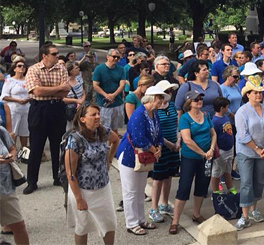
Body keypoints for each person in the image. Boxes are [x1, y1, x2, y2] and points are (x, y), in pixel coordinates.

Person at [65, 104, 120, 245]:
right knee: (82, 226)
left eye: (98, 113)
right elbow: (70, 172)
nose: (98, 117)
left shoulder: (102, 131)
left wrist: (109, 159)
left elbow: (116, 140)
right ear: (83, 119)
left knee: (109, 223)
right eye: (93, 114)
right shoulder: (74, 140)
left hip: (103, 188)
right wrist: (79, 199)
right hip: (83, 191)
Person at [115, 86, 166, 235]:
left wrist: (159, 147)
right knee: (130, 191)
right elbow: (139, 139)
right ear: (150, 98)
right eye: (159, 98)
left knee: (139, 190)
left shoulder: (153, 113)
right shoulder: (139, 115)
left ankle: (140, 219)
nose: (162, 101)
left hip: (144, 155)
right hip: (131, 155)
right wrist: (154, 150)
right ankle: (131, 222)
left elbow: (159, 134)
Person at [23, 44, 70, 194]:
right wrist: (57, 88)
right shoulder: (33, 69)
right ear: (45, 56)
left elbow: (66, 90)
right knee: (36, 146)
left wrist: (46, 90)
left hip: (57, 109)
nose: (57, 56)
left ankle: (58, 177)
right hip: (39, 110)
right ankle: (32, 182)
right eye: (54, 54)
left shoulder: (61, 68)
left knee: (58, 145)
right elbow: (35, 90)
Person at [234, 76, 264, 230]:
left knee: (259, 180)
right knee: (246, 182)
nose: (258, 95)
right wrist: (258, 149)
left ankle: (254, 209)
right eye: (255, 92)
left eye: (260, 92)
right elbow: (243, 136)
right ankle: (244, 215)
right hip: (246, 151)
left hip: (262, 150)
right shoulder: (242, 112)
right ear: (248, 94)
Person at [169, 91, 216, 234]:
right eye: (196, 99)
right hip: (190, 158)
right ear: (189, 102)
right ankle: (175, 221)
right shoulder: (184, 118)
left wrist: (212, 149)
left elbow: (213, 133)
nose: (199, 101)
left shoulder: (206, 115)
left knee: (202, 186)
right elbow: (187, 140)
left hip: (207, 157)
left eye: (201, 98)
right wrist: (203, 153)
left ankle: (197, 214)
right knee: (184, 187)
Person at [147, 80, 180, 224]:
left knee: (169, 176)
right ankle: (153, 208)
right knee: (158, 178)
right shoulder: (154, 110)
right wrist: (169, 144)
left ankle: (164, 204)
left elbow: (177, 124)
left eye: (170, 91)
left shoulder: (172, 106)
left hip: (174, 146)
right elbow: (156, 131)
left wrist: (178, 141)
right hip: (162, 147)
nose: (169, 94)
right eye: (166, 92)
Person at [0, 125, 30, 245]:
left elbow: (12, 148)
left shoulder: (1, 131)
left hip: (6, 188)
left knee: (19, 226)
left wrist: (11, 155)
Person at [92, 49, 126, 132]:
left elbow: (122, 85)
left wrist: (114, 95)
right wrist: (106, 95)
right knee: (103, 127)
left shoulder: (121, 69)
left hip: (117, 102)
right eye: (114, 56)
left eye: (118, 57)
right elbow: (95, 85)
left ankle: (113, 143)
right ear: (108, 57)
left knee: (115, 128)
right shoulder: (99, 69)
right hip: (104, 104)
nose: (116, 59)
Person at [1, 60, 30, 150]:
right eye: (19, 66)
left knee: (25, 132)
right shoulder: (10, 81)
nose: (22, 68)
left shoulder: (28, 80)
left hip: (26, 109)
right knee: (13, 131)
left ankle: (23, 152)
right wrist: (17, 100)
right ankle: (12, 150)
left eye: (24, 66)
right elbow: (4, 96)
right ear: (15, 69)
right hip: (14, 109)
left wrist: (28, 99)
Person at [210, 97, 237, 195]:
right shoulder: (215, 121)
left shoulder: (225, 118)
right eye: (227, 107)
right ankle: (215, 191)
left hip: (229, 148)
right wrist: (216, 150)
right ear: (222, 108)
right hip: (221, 150)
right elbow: (214, 136)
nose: (228, 109)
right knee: (217, 172)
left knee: (227, 170)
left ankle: (230, 187)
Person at [63, 62, 85, 131]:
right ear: (71, 71)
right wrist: (76, 101)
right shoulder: (65, 82)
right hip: (70, 109)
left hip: (80, 108)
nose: (78, 69)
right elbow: (62, 98)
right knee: (70, 129)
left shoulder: (78, 80)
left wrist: (81, 102)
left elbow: (83, 93)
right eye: (76, 68)